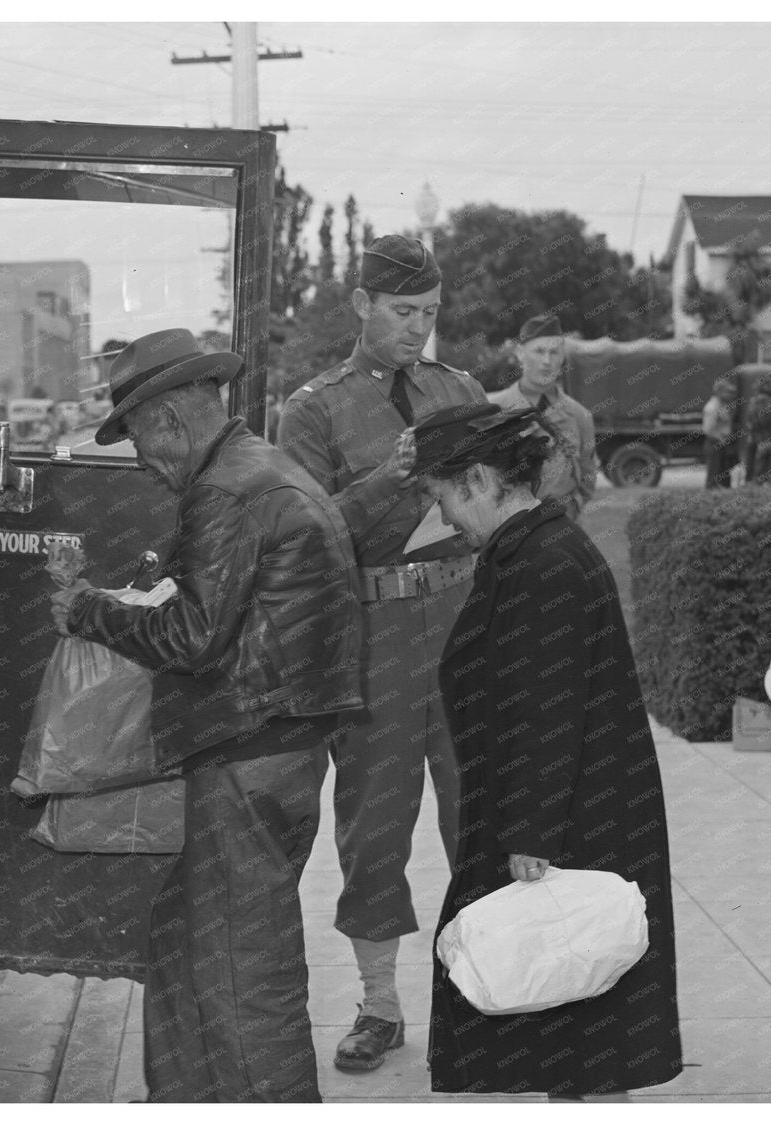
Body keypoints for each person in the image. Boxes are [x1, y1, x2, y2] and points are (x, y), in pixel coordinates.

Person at [49, 328, 364, 1101]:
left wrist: (88, 609)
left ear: (168, 422)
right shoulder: (258, 469)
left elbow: (192, 636)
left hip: (245, 756)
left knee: (240, 978)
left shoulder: (223, 490)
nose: (145, 466)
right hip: (274, 749)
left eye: (139, 445)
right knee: (192, 947)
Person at [412, 402, 682, 1099]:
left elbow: (547, 708)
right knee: (577, 1032)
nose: (442, 518)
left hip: (562, 829)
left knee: (582, 1027)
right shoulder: (532, 550)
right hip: (562, 818)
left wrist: (529, 834)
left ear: (477, 479)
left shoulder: (543, 562)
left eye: (442, 497)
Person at [276, 234, 486, 1071]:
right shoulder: (314, 408)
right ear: (361, 303)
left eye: (430, 315)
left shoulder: (458, 388)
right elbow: (305, 537)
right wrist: (393, 477)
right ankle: (379, 1003)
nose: (417, 331)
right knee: (373, 823)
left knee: (485, 807)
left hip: (466, 617)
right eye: (403, 313)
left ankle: (488, 993)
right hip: (378, 635)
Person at [488, 312, 598, 518]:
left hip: (560, 526)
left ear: (563, 356)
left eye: (554, 352)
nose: (547, 361)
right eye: (539, 351)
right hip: (506, 526)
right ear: (520, 354)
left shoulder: (579, 416)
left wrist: (574, 509)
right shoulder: (494, 409)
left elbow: (587, 476)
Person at [701, 375, 741, 487]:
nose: (729, 395)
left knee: (723, 474)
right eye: (726, 392)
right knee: (713, 475)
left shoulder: (721, 406)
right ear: (719, 392)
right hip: (715, 443)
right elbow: (708, 429)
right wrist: (720, 439)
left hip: (722, 443)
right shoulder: (712, 407)